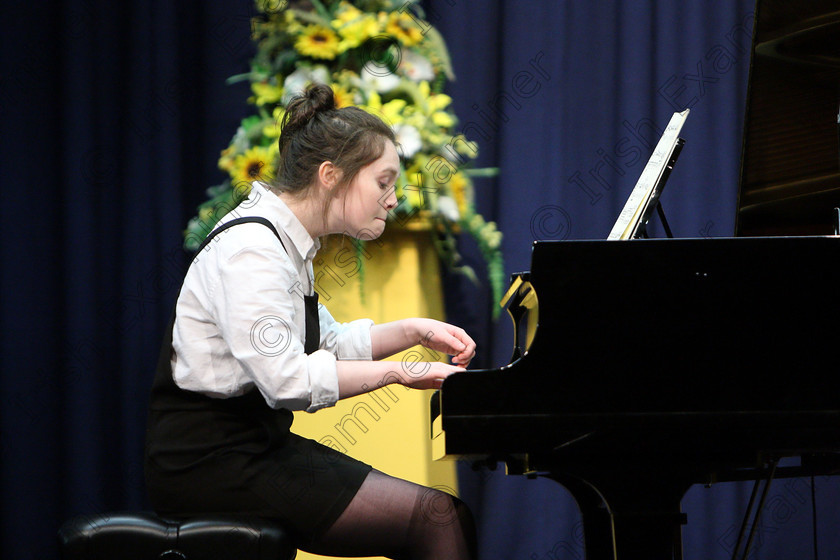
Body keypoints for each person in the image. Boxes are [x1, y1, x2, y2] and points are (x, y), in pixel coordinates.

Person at [144, 83, 478, 560]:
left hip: (255, 445)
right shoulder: (253, 251)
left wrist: (413, 333)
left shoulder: (283, 240)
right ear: (330, 175)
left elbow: (331, 343)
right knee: (436, 520)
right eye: (383, 182)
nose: (393, 199)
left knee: (443, 516)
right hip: (209, 462)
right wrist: (403, 373)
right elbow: (288, 382)